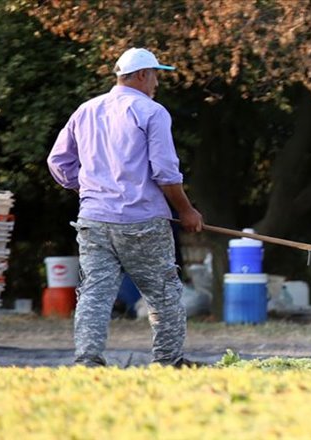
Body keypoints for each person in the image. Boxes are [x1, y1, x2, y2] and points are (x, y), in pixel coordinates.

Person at [47, 48, 204, 368]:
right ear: (142, 75)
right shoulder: (151, 111)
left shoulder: (86, 110)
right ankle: (168, 361)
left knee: (94, 294)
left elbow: (58, 162)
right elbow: (165, 172)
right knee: (163, 293)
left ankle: (88, 362)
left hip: (93, 220)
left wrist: (88, 188)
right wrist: (186, 211)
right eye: (156, 75)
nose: (157, 83)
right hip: (142, 220)